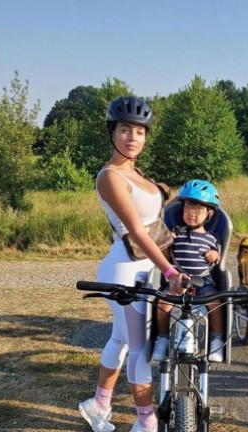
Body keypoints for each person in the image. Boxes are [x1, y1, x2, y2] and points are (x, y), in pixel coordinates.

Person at [79, 96, 187, 432]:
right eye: (125, 129)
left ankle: (98, 405)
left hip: (145, 268)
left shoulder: (137, 173)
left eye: (139, 132)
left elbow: (156, 224)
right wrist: (170, 272)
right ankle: (147, 422)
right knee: (140, 348)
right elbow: (138, 232)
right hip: (125, 272)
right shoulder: (110, 176)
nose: (133, 137)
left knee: (121, 340)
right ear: (112, 132)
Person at [152, 179, 225, 363]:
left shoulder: (211, 237)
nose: (191, 214)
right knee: (163, 304)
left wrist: (215, 254)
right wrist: (167, 243)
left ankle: (217, 339)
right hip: (178, 282)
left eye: (198, 211)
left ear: (209, 214)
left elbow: (219, 256)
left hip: (203, 282)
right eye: (187, 209)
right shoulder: (176, 233)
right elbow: (166, 256)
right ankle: (162, 339)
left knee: (215, 304)